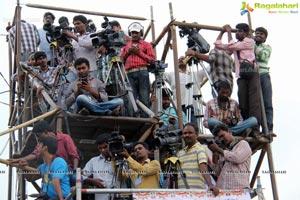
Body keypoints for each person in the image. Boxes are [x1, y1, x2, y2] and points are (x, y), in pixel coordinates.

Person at [214, 23, 262, 133]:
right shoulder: (237, 44)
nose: (237, 33)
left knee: (254, 102)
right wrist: (222, 32)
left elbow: (231, 46)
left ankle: (255, 128)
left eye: (240, 31)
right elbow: (218, 45)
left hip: (251, 72)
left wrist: (229, 32)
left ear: (245, 33)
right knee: (243, 102)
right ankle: (246, 127)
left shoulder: (249, 42)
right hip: (241, 75)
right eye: (237, 31)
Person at [9, 120, 79, 173]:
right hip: (52, 172)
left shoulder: (65, 138)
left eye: (38, 136)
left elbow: (74, 156)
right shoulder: (42, 144)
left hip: (67, 170)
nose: (38, 139)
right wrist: (18, 160)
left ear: (45, 132)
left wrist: (75, 171)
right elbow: (35, 154)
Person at [121, 22, 156, 117]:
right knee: (130, 98)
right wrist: (128, 52)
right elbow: (121, 60)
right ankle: (132, 120)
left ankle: (145, 120)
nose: (134, 35)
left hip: (142, 72)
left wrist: (139, 53)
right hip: (129, 73)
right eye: (132, 33)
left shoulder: (146, 45)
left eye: (136, 33)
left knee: (144, 97)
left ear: (141, 33)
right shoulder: (126, 45)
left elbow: (152, 60)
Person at [185, 30, 234, 95]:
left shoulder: (217, 52)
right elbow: (230, 46)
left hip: (219, 82)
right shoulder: (230, 58)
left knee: (218, 103)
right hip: (229, 84)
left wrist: (194, 53)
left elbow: (210, 58)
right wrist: (227, 32)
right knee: (226, 102)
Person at [208, 124, 252, 195]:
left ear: (230, 132)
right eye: (219, 138)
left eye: (222, 136)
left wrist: (218, 149)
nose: (222, 139)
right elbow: (216, 172)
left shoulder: (242, 144)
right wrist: (215, 154)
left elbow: (237, 158)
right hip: (223, 192)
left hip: (240, 190)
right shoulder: (223, 151)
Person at [164, 56, 206, 124]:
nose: (181, 59)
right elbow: (159, 73)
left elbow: (209, 68)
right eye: (179, 59)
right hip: (178, 107)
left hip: (193, 106)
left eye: (183, 58)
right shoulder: (172, 74)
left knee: (193, 129)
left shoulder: (195, 74)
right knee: (180, 129)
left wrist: (198, 56)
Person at [177, 123, 217, 192]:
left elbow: (203, 167)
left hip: (197, 193)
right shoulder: (180, 153)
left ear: (197, 135)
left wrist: (210, 185)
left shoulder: (199, 148)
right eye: (185, 133)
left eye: (190, 133)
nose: (187, 135)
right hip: (182, 194)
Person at [82, 133, 116, 200]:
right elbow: (82, 175)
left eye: (105, 147)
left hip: (118, 197)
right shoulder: (93, 161)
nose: (102, 150)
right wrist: (91, 180)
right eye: (100, 148)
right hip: (101, 197)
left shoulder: (120, 160)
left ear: (111, 145)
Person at [254, 27, 273, 134]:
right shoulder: (249, 46)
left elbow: (262, 56)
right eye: (257, 33)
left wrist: (252, 44)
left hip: (263, 75)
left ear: (265, 38)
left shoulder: (267, 47)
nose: (258, 35)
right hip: (253, 76)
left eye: (261, 34)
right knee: (256, 104)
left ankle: (268, 128)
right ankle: (256, 128)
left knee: (267, 103)